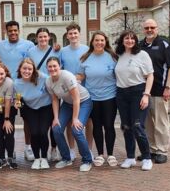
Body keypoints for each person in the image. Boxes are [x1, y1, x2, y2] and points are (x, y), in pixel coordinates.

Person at [0, 20, 35, 161]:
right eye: (10, 31)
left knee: (27, 119)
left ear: (19, 31)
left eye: (15, 30)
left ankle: (28, 148)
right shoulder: (0, 45)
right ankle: (10, 151)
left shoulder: (28, 45)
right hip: (6, 89)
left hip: (23, 88)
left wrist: (55, 49)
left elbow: (37, 57)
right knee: (10, 121)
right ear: (6, 32)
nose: (13, 33)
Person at [77, 31, 119, 167]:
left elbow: (119, 75)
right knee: (97, 126)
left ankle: (111, 154)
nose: (99, 43)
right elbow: (81, 76)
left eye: (102, 40)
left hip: (110, 97)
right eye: (97, 40)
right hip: (92, 98)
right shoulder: (85, 58)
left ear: (105, 42)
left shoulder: (112, 57)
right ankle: (100, 154)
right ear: (92, 42)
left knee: (109, 125)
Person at [114, 30, 154, 171]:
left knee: (137, 126)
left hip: (138, 92)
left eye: (132, 38)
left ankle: (147, 158)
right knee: (126, 127)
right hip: (122, 94)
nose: (129, 41)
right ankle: (130, 157)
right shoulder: (118, 55)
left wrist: (146, 94)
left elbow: (150, 75)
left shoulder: (142, 55)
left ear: (136, 41)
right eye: (126, 38)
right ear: (122, 40)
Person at [140, 19, 170, 164]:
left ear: (157, 28)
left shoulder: (164, 44)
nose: (149, 30)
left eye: (152, 27)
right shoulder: (140, 45)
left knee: (161, 122)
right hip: (144, 92)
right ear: (143, 29)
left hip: (160, 91)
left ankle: (162, 151)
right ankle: (151, 150)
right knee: (148, 123)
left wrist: (168, 87)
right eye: (146, 28)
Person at [46, 56, 93, 172]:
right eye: (50, 67)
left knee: (76, 129)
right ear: (47, 68)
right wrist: (56, 118)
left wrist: (75, 119)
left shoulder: (67, 76)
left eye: (54, 66)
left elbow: (76, 98)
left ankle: (87, 160)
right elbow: (55, 100)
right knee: (56, 128)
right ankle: (66, 158)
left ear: (59, 66)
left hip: (83, 102)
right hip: (67, 104)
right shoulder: (48, 81)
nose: (52, 69)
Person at [26, 27, 61, 162]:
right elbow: (27, 67)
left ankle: (53, 148)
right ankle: (33, 149)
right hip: (35, 88)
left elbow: (59, 68)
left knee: (53, 120)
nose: (43, 39)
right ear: (36, 38)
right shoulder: (30, 52)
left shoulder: (55, 51)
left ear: (49, 37)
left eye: (45, 37)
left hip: (52, 87)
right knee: (36, 125)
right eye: (40, 37)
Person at [59, 23, 91, 161]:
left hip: (84, 92)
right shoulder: (63, 51)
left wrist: (80, 77)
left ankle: (89, 149)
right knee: (69, 123)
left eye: (75, 33)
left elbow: (89, 68)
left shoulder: (87, 50)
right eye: (70, 33)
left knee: (88, 122)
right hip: (68, 93)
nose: (73, 36)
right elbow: (59, 69)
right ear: (67, 35)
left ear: (79, 34)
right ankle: (71, 150)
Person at [14, 58, 53, 170]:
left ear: (33, 70)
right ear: (20, 69)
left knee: (43, 132)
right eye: (24, 68)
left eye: (29, 69)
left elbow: (53, 91)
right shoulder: (17, 83)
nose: (27, 71)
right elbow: (18, 98)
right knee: (34, 133)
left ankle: (44, 158)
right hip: (31, 109)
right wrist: (16, 102)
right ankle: (37, 158)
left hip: (46, 107)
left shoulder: (43, 78)